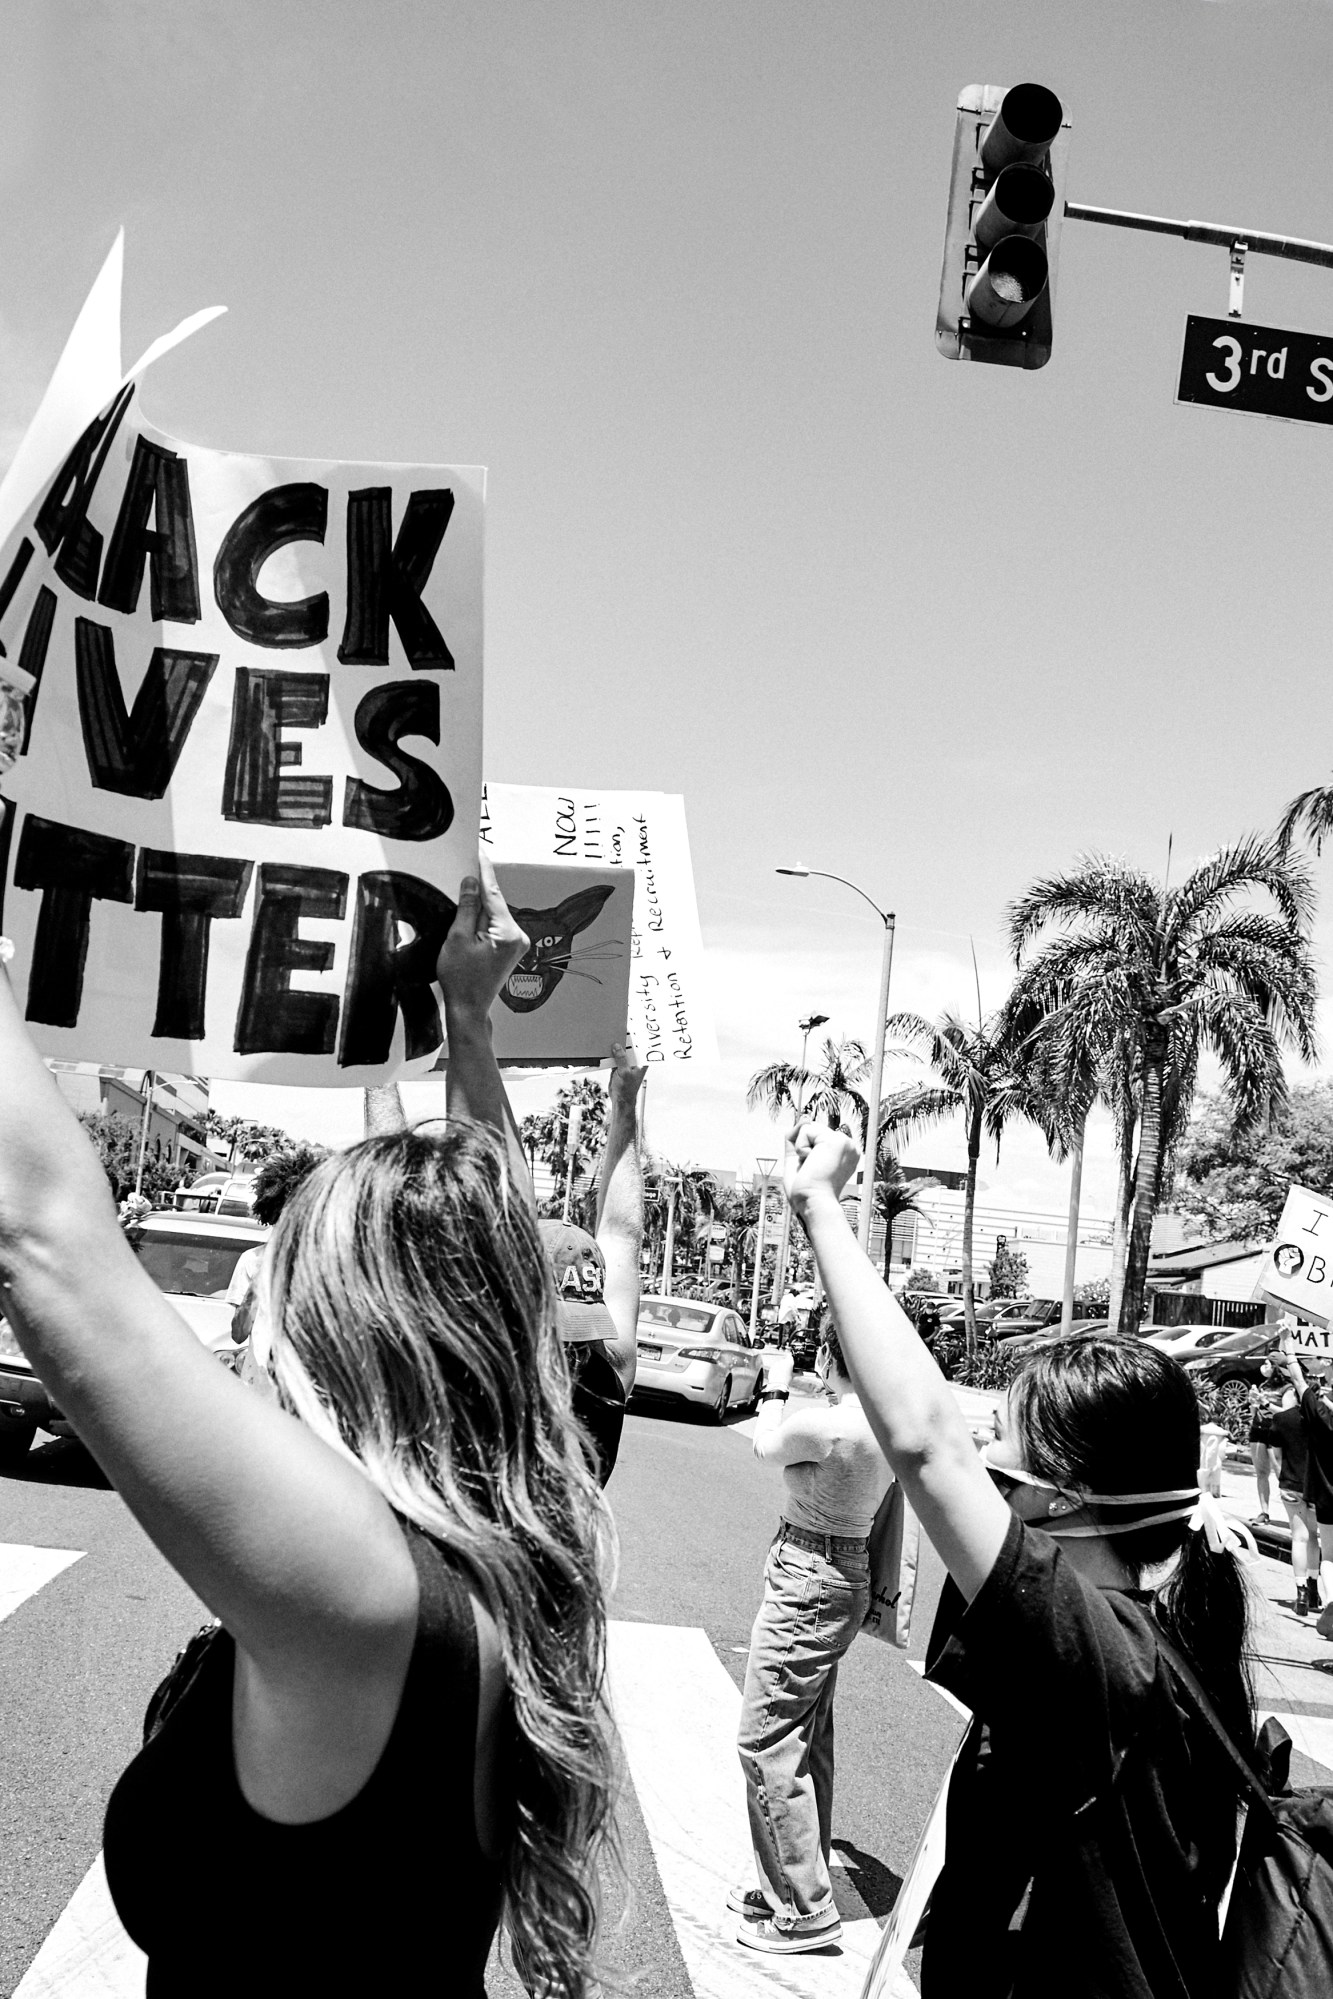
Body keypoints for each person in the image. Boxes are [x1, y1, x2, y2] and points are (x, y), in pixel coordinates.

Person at [0, 858, 614, 1997]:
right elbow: (495, 1258)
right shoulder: (495, 1542)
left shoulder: (364, 1589)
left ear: (337, 1326)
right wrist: (464, 1026)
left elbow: (43, 1236)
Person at [782, 1120, 1256, 1997]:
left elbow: (926, 1445)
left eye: (1005, 1438)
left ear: (1063, 1493)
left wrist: (818, 1206)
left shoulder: (1095, 1651)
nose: (987, 1455)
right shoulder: (1146, 1642)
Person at [732, 1320, 891, 1953]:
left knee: (764, 1739)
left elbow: (763, 1446)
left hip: (809, 1576)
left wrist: (774, 1386)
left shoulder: (826, 1425)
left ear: (829, 1355)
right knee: (806, 1734)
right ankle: (796, 1878)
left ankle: (803, 1906)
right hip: (840, 1572)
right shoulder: (881, 1422)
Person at [224, 1142, 327, 1345]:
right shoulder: (252, 1260)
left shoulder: (328, 1265)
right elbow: (238, 1335)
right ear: (274, 1214)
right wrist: (259, 1283)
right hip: (260, 1372)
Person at [1276, 1341, 1333, 1639]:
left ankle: (1317, 1598)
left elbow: (1297, 1378)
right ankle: (1321, 1597)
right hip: (1317, 1492)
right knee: (1319, 1545)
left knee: (1316, 1548)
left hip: (1317, 1491)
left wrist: (1290, 1347)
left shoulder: (1311, 1413)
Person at [1255, 1380, 1320, 1616]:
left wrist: (1282, 1477)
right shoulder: (1321, 1419)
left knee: (1299, 1538)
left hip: (1291, 1483)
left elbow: (1277, 1456)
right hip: (1316, 1486)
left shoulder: (1282, 1420)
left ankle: (1301, 1592)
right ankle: (1314, 1588)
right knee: (1313, 1537)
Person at [1247, 1369, 1282, 1523]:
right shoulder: (1263, 1386)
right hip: (1258, 1430)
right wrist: (1253, 1401)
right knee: (1261, 1472)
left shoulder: (1287, 1388)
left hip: (1275, 1431)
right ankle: (1264, 1512)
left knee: (1281, 1473)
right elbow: (1254, 1412)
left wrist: (1265, 1402)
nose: (1263, 1367)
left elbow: (1287, 1413)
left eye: (1268, 1363)